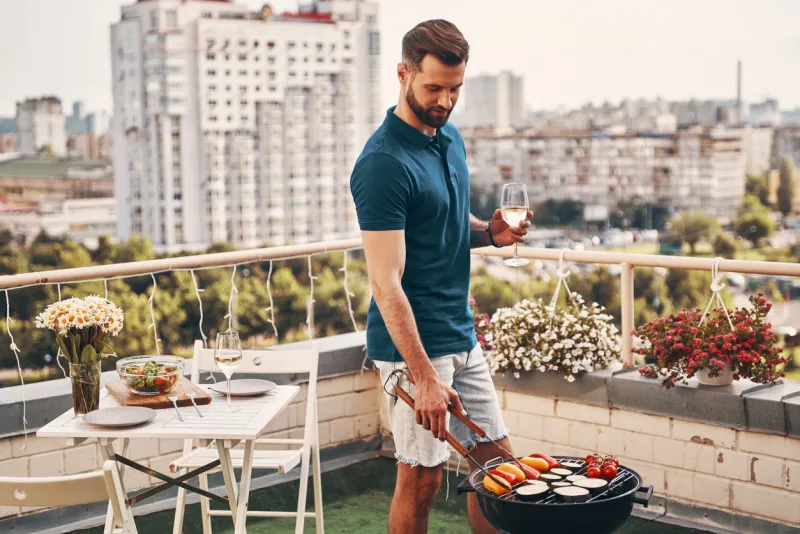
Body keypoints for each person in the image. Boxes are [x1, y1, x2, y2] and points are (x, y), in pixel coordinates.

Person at [349, 19, 533, 534]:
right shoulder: (383, 163)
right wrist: (425, 376)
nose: (446, 101)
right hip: (413, 352)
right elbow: (385, 281)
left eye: (456, 89)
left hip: (460, 334)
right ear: (403, 74)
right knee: (421, 480)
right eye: (434, 88)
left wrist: (489, 233)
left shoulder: (449, 138)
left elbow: (446, 227)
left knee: (497, 471)